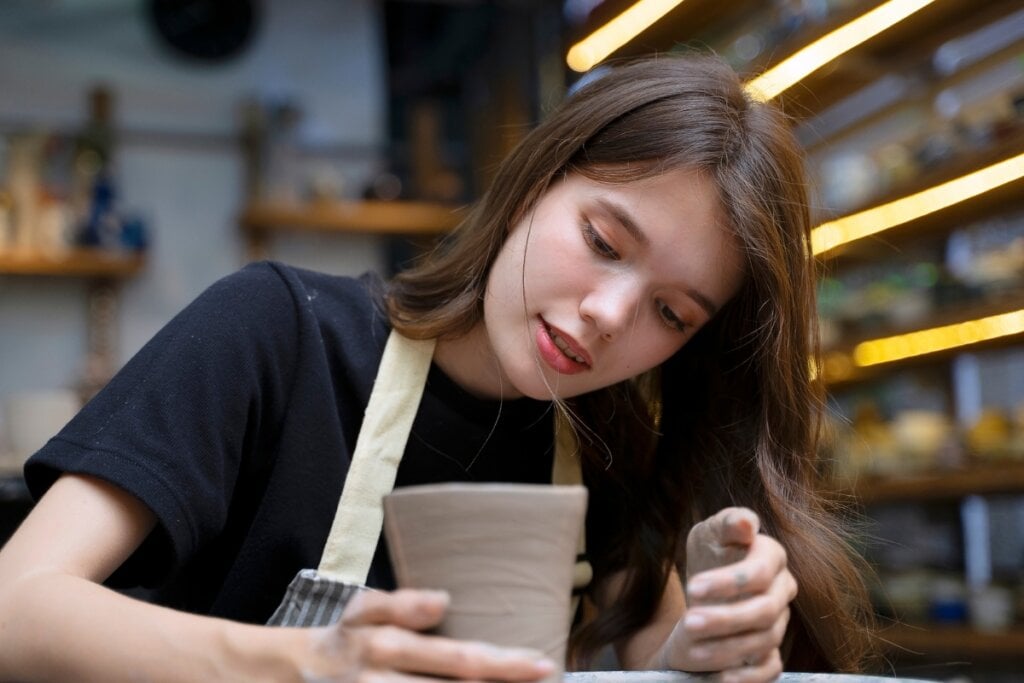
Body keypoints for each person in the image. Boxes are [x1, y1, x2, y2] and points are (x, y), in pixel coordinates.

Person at [0, 53, 876, 682]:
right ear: (535, 182)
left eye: (671, 313)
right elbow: (16, 608)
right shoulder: (275, 331)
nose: (610, 316)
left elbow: (658, 660)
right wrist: (305, 663)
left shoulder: (608, 448)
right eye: (603, 241)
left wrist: (711, 646)